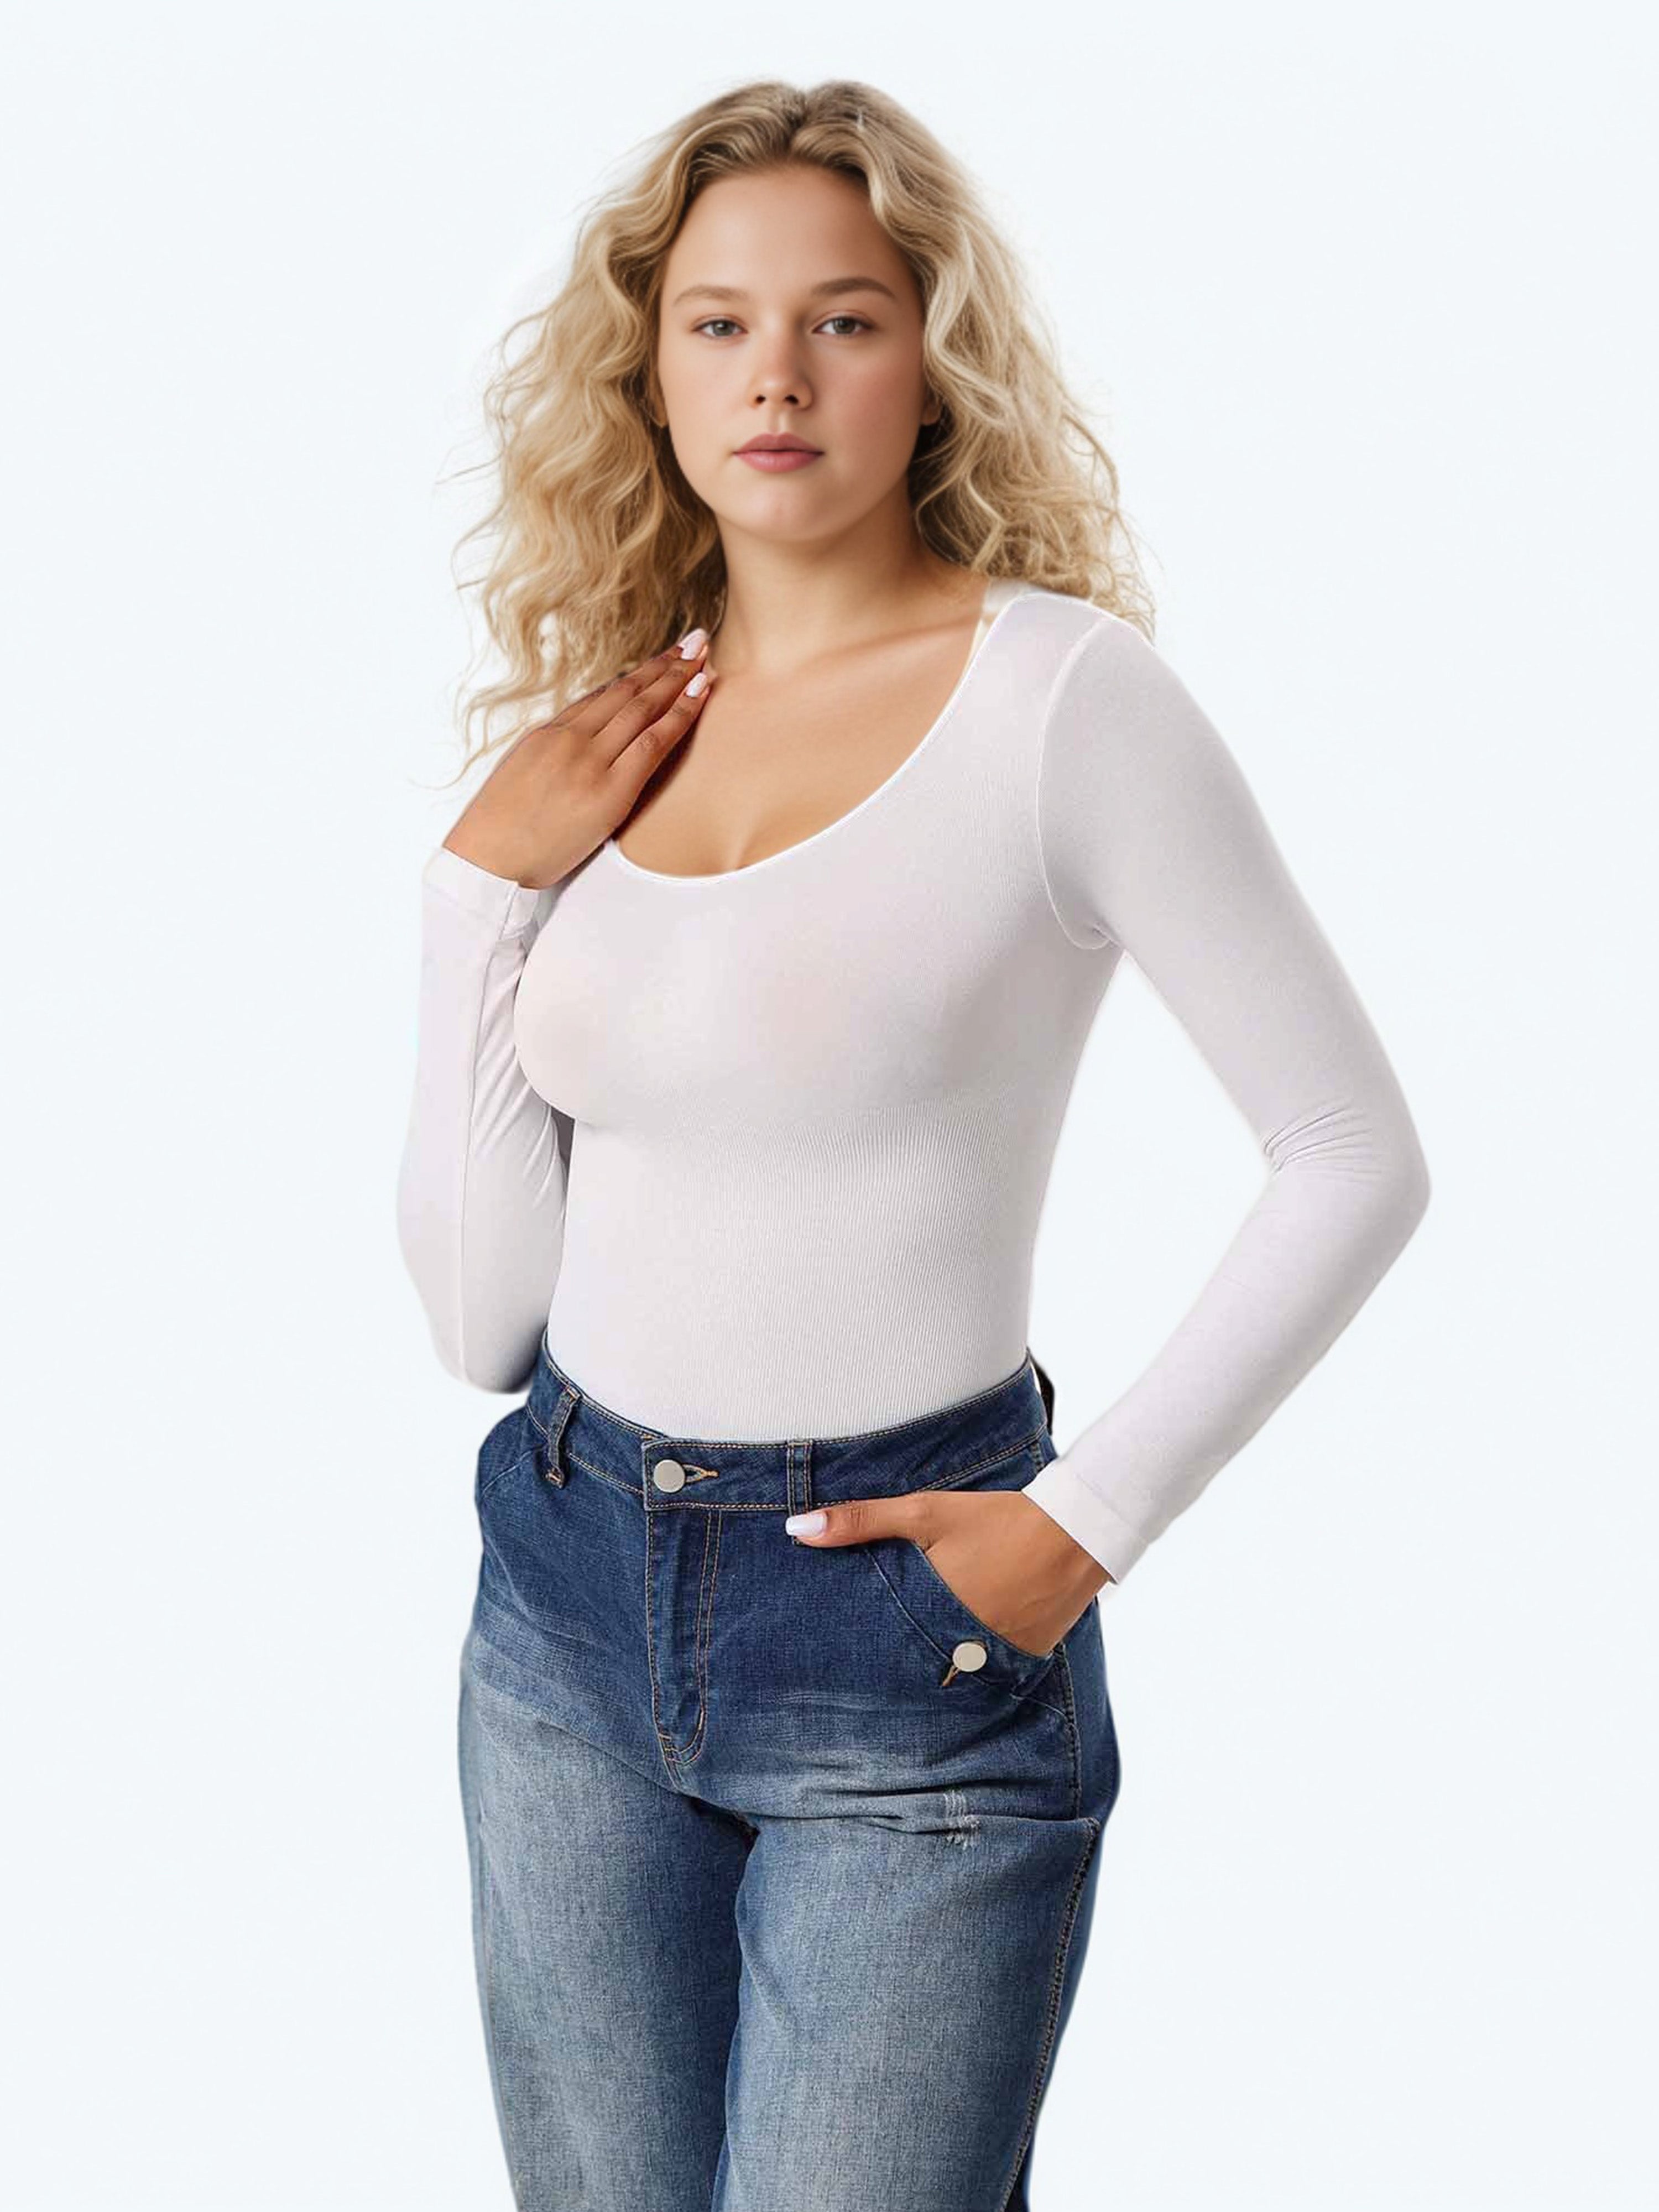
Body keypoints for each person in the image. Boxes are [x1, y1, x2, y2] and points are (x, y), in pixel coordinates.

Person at [395, 77, 1431, 2212]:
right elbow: (482, 1322)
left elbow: (1350, 1149)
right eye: (719, 323)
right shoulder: (614, 729)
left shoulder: (1061, 704)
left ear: (933, 362)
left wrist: (1086, 1523)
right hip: (562, 1613)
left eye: (845, 321)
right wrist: (476, 897)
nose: (775, 375)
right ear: (650, 369)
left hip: (909, 1640)